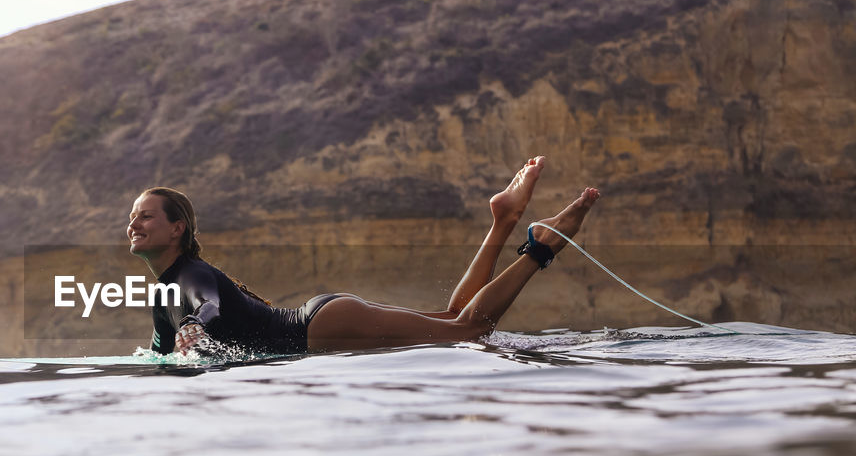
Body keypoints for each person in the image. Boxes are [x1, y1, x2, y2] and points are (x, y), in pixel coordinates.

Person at [127, 156, 600, 355]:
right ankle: (502, 220)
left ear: (177, 229)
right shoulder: (163, 295)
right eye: (133, 217)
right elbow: (159, 359)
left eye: (146, 216)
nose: (135, 224)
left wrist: (196, 325)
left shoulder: (188, 275)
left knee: (471, 331)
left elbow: (206, 302)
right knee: (456, 318)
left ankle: (541, 248)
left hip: (321, 329)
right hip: (322, 319)